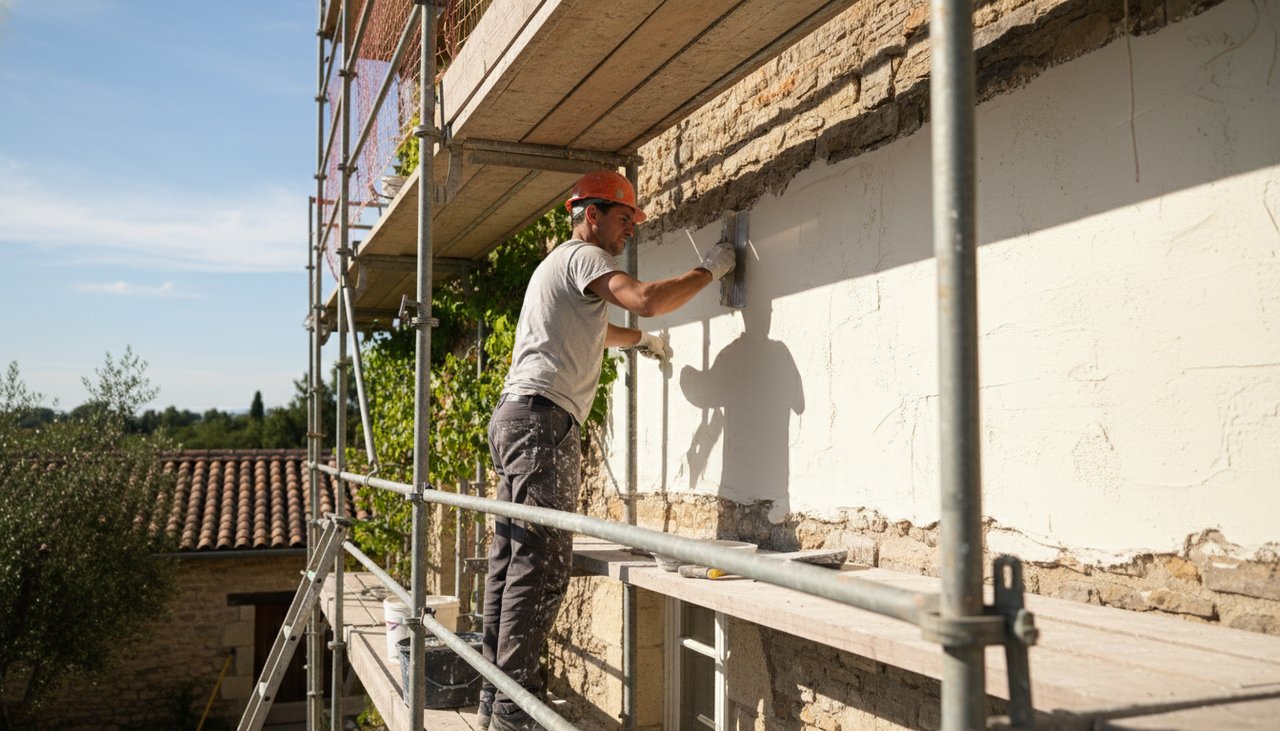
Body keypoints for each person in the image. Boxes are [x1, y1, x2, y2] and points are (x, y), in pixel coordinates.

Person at [479, 169, 736, 730]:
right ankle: (511, 709)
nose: (630, 234)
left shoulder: (560, 268)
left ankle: (494, 696)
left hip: (517, 419)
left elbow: (603, 328)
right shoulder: (585, 256)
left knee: (511, 559)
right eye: (624, 219)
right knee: (542, 565)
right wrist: (710, 269)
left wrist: (641, 343)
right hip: (543, 423)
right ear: (590, 215)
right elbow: (642, 299)